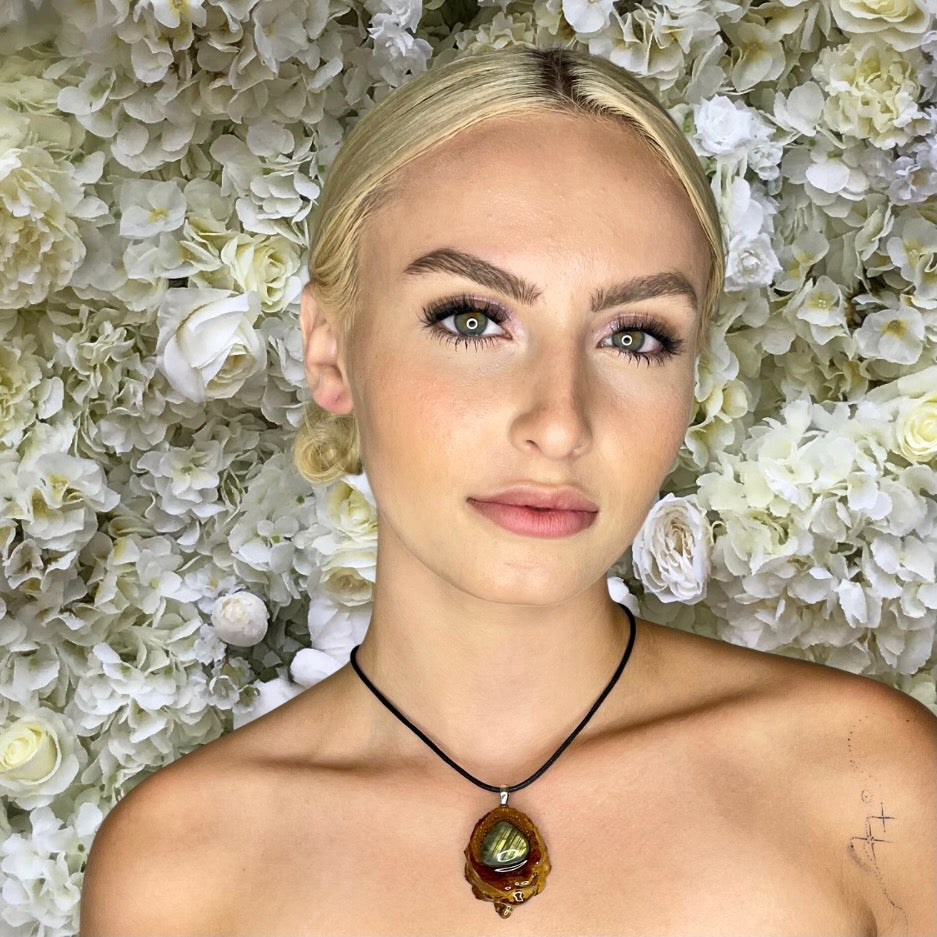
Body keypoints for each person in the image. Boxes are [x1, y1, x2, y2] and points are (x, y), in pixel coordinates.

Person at [80, 45, 935, 936]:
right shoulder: (181, 868)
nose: (560, 422)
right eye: (473, 319)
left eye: (636, 337)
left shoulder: (868, 785)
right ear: (329, 350)